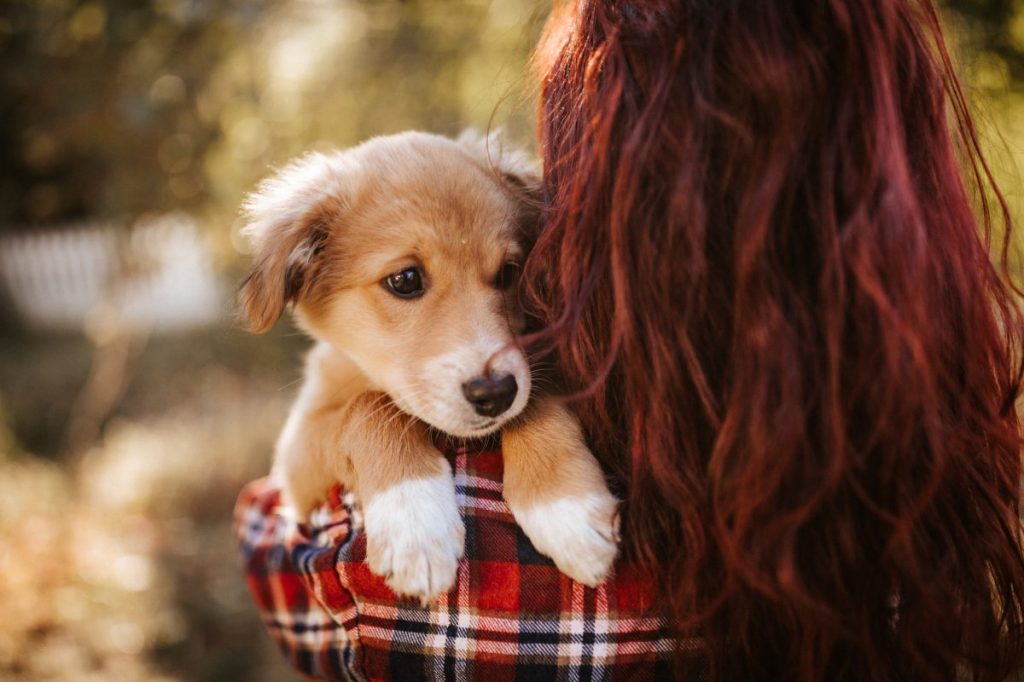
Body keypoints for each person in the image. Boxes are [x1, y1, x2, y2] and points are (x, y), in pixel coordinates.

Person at [235, 1, 1024, 679]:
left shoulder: (419, 583)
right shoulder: (922, 479)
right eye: (407, 283)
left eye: (509, 274)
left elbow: (279, 544)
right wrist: (383, 429)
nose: (486, 353)